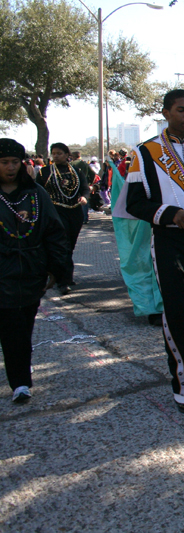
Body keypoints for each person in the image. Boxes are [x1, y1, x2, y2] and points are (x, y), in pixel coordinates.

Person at [116, 89, 184, 414]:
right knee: (176, 311)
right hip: (169, 241)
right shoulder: (146, 152)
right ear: (165, 112)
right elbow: (134, 202)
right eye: (181, 110)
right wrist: (169, 213)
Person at [0, 138, 69, 403]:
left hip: (31, 270)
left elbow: (54, 232)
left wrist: (56, 268)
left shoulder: (36, 195)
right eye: (4, 162)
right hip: (2, 272)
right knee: (9, 325)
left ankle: (19, 376)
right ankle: (19, 378)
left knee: (22, 325)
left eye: (14, 162)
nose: (10, 167)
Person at [37, 142, 89, 294]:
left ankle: (65, 275)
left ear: (67, 155)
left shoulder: (76, 171)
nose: (56, 156)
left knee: (70, 245)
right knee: (61, 245)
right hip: (55, 212)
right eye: (53, 153)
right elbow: (36, 190)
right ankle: (62, 280)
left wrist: (84, 197)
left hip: (74, 212)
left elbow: (85, 187)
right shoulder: (44, 172)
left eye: (59, 153)